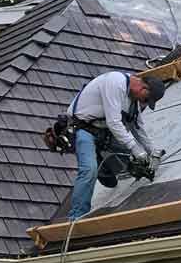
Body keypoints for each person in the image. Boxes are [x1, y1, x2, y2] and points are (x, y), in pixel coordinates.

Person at [65, 70, 165, 221]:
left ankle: (104, 169)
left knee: (132, 160)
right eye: (146, 99)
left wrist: (152, 151)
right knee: (89, 170)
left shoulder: (133, 98)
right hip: (82, 128)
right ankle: (76, 216)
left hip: (103, 132)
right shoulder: (115, 82)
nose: (143, 103)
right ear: (143, 88)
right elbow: (114, 122)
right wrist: (136, 149)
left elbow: (137, 126)